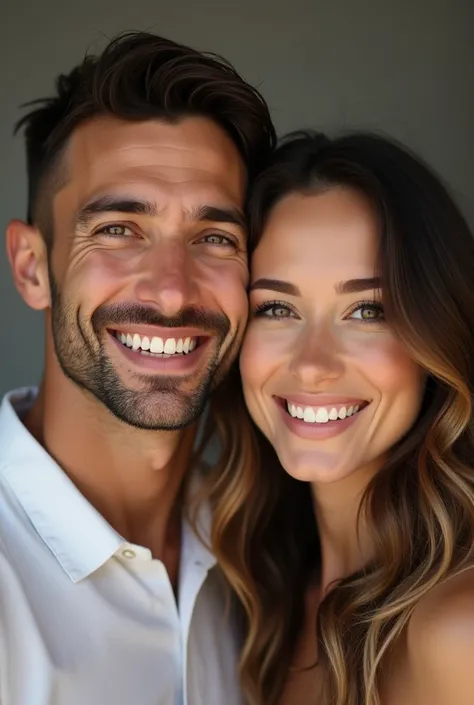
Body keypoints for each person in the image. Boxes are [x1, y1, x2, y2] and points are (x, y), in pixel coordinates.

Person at [1, 30, 275, 705]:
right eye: (120, 229)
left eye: (215, 238)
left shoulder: (268, 542)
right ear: (33, 267)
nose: (173, 290)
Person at [208, 131, 474, 705]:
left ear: (436, 337)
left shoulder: (460, 631)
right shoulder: (257, 601)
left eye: (368, 310)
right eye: (277, 308)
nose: (312, 365)